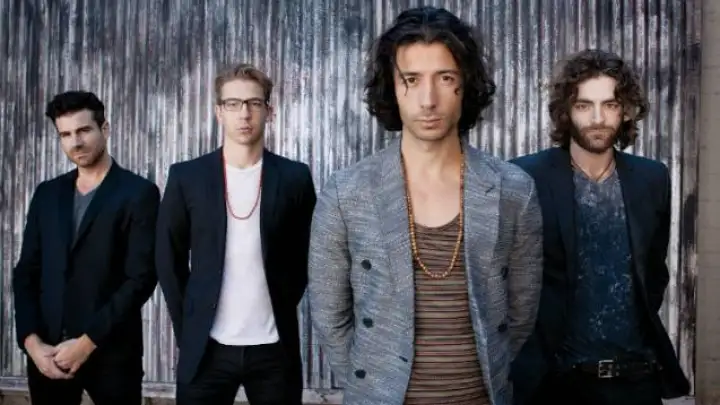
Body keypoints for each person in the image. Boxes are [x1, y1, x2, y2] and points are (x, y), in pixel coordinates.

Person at [307, 6, 543, 405]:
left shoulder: (513, 190)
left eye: (445, 78)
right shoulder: (347, 193)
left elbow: (520, 315)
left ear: (465, 84)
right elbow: (330, 314)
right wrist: (373, 384)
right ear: (392, 87)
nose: (428, 99)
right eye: (412, 80)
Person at [509, 49, 691, 405]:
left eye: (610, 105)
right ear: (566, 111)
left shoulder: (652, 178)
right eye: (583, 105)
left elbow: (653, 273)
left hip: (636, 379)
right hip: (555, 383)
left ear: (625, 111)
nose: (597, 118)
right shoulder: (525, 176)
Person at [155, 63, 316, 405]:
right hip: (207, 349)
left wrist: (282, 300)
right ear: (219, 112)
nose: (244, 114)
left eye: (254, 103)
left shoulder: (295, 177)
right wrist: (190, 327)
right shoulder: (187, 177)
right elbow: (168, 259)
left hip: (274, 350)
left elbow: (307, 256)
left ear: (269, 111)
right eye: (233, 104)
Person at [11, 91, 160, 405]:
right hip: (48, 354)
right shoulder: (47, 193)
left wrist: (87, 342)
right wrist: (31, 343)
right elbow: (26, 272)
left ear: (104, 129)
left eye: (83, 130)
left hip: (111, 354)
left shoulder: (139, 193)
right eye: (65, 134)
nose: (75, 142)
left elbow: (141, 278)